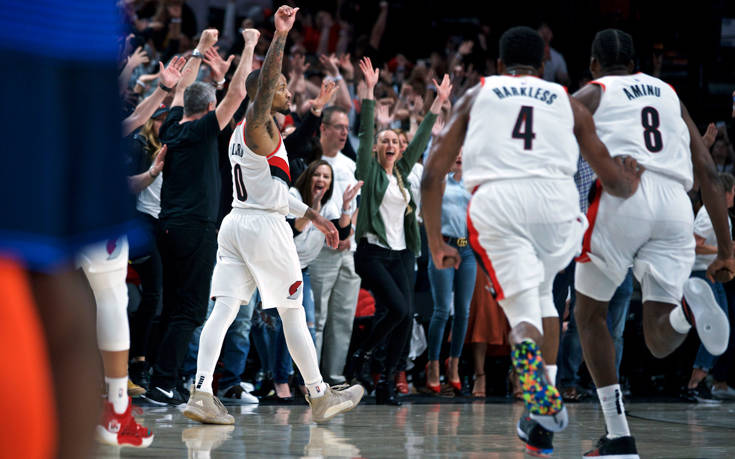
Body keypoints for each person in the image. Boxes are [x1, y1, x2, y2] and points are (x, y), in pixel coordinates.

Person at [421, 26, 641, 457]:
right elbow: (611, 178)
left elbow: (432, 175)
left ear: (500, 66)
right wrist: (632, 180)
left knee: (522, 316)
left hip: (501, 204)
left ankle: (529, 369)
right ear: (543, 66)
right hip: (559, 211)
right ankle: (540, 420)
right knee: (544, 301)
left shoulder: (480, 92)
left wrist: (435, 242)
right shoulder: (567, 99)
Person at [182, 5, 364, 425]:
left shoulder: (261, 135)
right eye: (281, 86)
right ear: (264, 90)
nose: (287, 91)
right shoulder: (257, 122)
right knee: (292, 311)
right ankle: (319, 394)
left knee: (224, 310)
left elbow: (277, 193)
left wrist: (316, 218)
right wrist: (279, 36)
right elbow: (263, 88)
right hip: (263, 228)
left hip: (237, 224)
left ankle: (201, 392)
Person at [572, 29, 735, 458]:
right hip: (675, 205)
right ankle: (687, 310)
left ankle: (619, 434)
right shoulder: (668, 93)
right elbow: (709, 173)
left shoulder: (596, 90)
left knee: (590, 315)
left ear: (594, 64)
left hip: (625, 192)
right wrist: (727, 250)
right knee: (659, 337)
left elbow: (554, 125)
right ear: (637, 63)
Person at [146, 27, 259, 405]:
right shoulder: (204, 129)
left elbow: (180, 90)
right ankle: (164, 381)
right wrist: (250, 45)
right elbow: (239, 93)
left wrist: (200, 49)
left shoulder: (173, 128)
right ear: (211, 108)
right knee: (191, 311)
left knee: (174, 307)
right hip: (195, 229)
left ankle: (161, 378)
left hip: (168, 227)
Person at [348, 57, 448, 405]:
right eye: (385, 140)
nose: (391, 145)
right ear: (377, 147)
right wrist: (370, 94)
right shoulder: (370, 170)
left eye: (395, 141)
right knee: (400, 310)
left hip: (404, 252)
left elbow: (420, 140)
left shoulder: (404, 173)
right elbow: (363, 133)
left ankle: (387, 384)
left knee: (403, 321)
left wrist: (436, 105)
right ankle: (362, 357)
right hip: (373, 252)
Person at [309, 106, 365, 386]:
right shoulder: (311, 159)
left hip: (347, 250)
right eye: (339, 127)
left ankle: (334, 376)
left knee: (342, 319)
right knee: (317, 319)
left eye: (347, 128)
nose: (344, 133)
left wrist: (350, 232)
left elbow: (356, 204)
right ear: (323, 128)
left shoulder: (349, 164)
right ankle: (312, 379)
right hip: (319, 248)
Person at [425, 151, 477, 394]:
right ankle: (433, 364)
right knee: (442, 309)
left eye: (462, 152)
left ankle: (454, 363)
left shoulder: (473, 182)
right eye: (454, 152)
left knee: (463, 311)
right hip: (443, 246)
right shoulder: (440, 180)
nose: (458, 156)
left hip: (467, 249)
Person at [682, 172, 735, 403]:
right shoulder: (708, 214)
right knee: (713, 329)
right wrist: (722, 251)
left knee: (721, 329)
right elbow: (693, 245)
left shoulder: (722, 215)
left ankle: (699, 381)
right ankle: (693, 384)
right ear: (725, 193)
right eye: (733, 191)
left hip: (712, 274)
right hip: (701, 274)